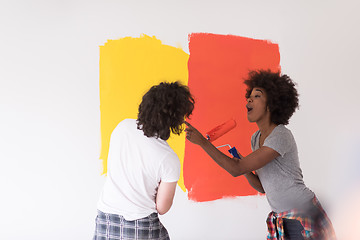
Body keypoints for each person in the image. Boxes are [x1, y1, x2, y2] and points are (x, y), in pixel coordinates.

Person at [184, 70, 336, 240]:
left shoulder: (280, 135)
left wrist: (203, 143)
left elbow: (236, 169)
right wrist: (245, 168)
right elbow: (263, 187)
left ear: (271, 104)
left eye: (257, 96)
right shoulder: (255, 138)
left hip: (302, 215)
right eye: (249, 96)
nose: (249, 99)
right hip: (281, 219)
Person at [94, 81, 195, 240]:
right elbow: (162, 208)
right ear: (174, 120)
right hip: (140, 226)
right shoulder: (168, 158)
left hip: (105, 219)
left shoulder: (122, 128)